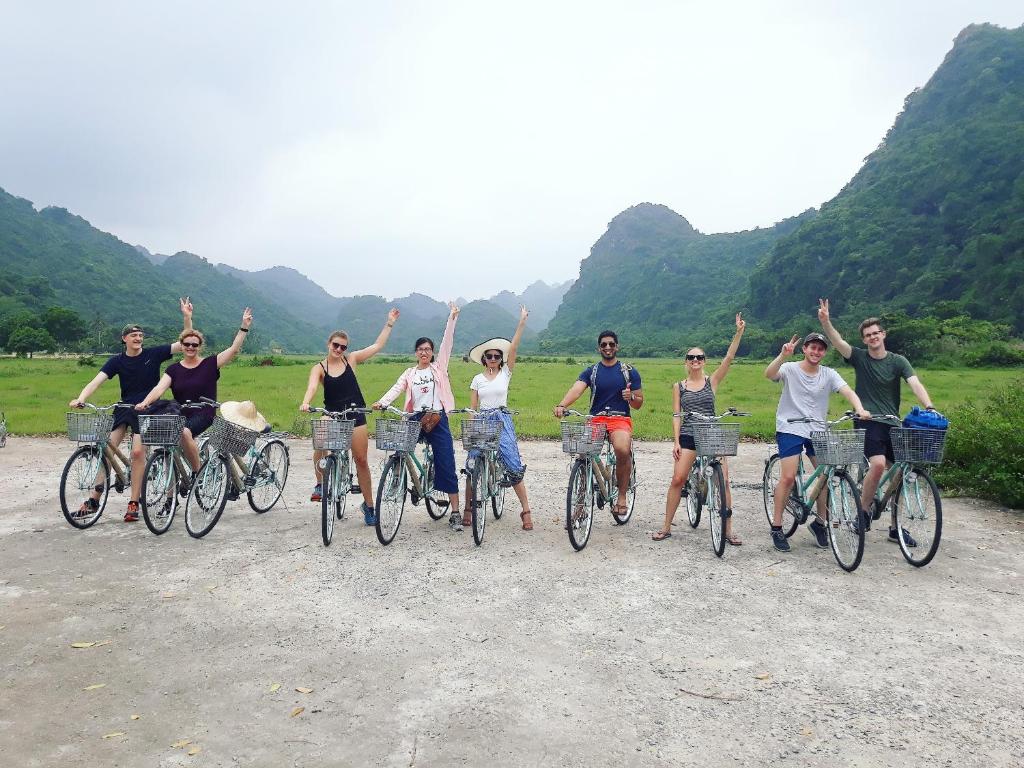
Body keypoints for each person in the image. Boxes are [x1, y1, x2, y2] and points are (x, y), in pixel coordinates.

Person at [817, 299, 937, 545]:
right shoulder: (860, 357)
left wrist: (930, 407)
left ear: (883, 334)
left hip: (893, 422)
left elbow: (914, 383)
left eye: (876, 333)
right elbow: (839, 343)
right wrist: (826, 322)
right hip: (867, 420)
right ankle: (862, 511)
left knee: (904, 469)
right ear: (864, 339)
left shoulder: (898, 361)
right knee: (879, 464)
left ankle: (896, 526)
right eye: (868, 335)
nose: (873, 337)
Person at [68, 298, 194, 522]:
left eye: (140, 335)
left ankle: (134, 502)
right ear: (124, 339)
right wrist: (81, 398)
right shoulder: (116, 361)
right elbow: (96, 381)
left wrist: (187, 317)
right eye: (133, 335)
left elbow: (184, 342)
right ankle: (93, 500)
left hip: (148, 407)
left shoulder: (153, 354)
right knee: (106, 448)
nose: (138, 338)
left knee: (137, 453)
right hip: (125, 407)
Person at [765, 332, 870, 552]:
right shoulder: (791, 368)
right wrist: (782, 356)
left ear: (824, 352)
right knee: (788, 476)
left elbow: (848, 391)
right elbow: (770, 374)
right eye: (812, 347)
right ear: (805, 349)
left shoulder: (829, 374)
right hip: (790, 427)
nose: (816, 352)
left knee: (826, 474)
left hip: (817, 429)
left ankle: (820, 522)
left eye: (820, 348)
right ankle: (777, 526)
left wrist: (859, 409)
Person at [299, 308, 400, 525]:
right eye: (335, 345)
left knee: (361, 459)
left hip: (355, 412)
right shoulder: (319, 367)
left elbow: (377, 346)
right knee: (320, 443)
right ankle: (320, 483)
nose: (339, 349)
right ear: (329, 344)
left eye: (343, 347)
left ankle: (369, 505)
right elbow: (312, 387)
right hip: (332, 412)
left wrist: (389, 323)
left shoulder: (351, 360)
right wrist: (306, 402)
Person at [654, 313, 746, 544]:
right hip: (688, 435)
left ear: (704, 361)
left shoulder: (711, 382)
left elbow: (729, 358)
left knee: (723, 480)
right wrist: (676, 441)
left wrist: (738, 333)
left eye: (699, 357)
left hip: (712, 435)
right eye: (691, 357)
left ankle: (728, 529)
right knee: (678, 479)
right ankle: (666, 526)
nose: (695, 361)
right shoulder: (679, 386)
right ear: (685, 362)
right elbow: (677, 415)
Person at [373, 303, 462, 531]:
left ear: (432, 353)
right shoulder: (409, 373)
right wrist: (383, 402)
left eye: (427, 349)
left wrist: (452, 318)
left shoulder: (439, 368)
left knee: (446, 461)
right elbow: (396, 388)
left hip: (436, 418)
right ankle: (407, 481)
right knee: (401, 449)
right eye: (420, 349)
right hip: (414, 417)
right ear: (416, 353)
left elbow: (447, 343)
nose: (424, 352)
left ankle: (454, 511)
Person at [135, 307, 254, 475]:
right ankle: (173, 489)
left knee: (184, 432)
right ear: (181, 346)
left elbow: (233, 349)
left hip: (204, 412)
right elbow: (159, 388)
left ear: (199, 347)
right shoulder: (173, 369)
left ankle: (198, 473)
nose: (190, 347)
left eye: (194, 345)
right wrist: (145, 403)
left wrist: (244, 326)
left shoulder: (210, 364)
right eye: (187, 344)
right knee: (163, 433)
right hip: (181, 412)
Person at [553, 330, 643, 517]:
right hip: (597, 418)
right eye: (604, 344)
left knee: (622, 449)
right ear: (599, 348)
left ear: (617, 346)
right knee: (584, 454)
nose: (608, 347)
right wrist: (562, 404)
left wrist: (631, 396)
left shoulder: (629, 371)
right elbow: (576, 390)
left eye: (611, 344)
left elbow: (639, 403)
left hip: (620, 418)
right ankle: (580, 504)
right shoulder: (592, 371)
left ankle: (622, 496)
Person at [467, 305, 533, 530]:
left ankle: (525, 510)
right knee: (472, 462)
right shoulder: (477, 379)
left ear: (500, 359)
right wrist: (472, 419)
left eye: (497, 356)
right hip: (482, 420)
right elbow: (473, 406)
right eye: (489, 356)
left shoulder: (506, 373)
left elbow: (514, 347)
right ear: (484, 359)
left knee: (513, 464)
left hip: (501, 419)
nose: (493, 358)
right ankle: (468, 508)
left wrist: (521, 322)